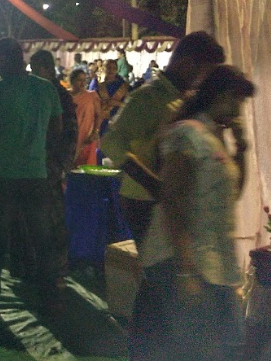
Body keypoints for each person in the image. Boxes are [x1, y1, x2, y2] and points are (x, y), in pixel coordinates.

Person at [130, 65, 254, 361]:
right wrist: (185, 270)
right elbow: (172, 202)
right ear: (222, 96)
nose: (239, 109)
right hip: (181, 260)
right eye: (238, 100)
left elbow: (233, 193)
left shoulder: (213, 137)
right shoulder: (187, 134)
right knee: (199, 347)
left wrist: (242, 149)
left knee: (225, 344)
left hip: (212, 261)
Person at [102, 31, 226, 247]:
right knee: (160, 263)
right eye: (205, 72)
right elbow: (111, 142)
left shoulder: (187, 99)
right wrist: (153, 183)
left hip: (173, 198)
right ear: (187, 64)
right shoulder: (147, 98)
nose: (205, 81)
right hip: (145, 201)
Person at [0, 38, 62, 315]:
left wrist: (3, 129)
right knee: (42, 240)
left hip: (2, 174)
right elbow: (56, 129)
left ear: (5, 60)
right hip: (35, 174)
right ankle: (49, 299)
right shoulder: (46, 89)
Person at [24, 50, 78, 282]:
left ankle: (57, 268)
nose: (32, 74)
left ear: (45, 69)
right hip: (38, 162)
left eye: (35, 69)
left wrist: (62, 164)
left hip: (50, 163)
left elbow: (70, 132)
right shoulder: (40, 92)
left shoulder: (58, 94)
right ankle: (43, 266)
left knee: (52, 216)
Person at [70, 68, 102, 167]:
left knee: (86, 166)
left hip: (87, 136)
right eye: (79, 80)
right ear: (72, 81)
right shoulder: (66, 96)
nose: (82, 83)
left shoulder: (91, 96)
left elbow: (99, 115)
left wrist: (95, 132)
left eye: (84, 80)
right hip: (71, 136)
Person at [95, 59, 129, 136]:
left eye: (114, 68)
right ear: (103, 68)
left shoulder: (123, 85)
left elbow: (129, 104)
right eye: (108, 67)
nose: (111, 70)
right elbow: (91, 101)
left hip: (117, 120)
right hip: (98, 120)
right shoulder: (96, 83)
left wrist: (118, 103)